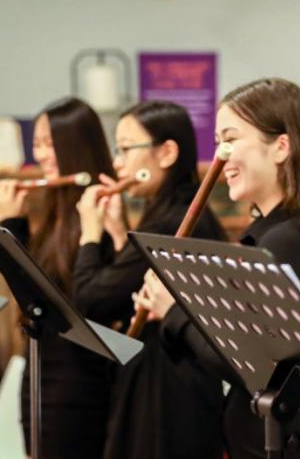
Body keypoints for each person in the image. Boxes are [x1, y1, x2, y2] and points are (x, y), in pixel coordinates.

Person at [136, 78, 300, 458]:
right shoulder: (275, 234)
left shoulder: (289, 240)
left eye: (231, 139)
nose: (221, 156)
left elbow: (248, 364)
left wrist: (173, 313)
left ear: (281, 147)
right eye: (219, 141)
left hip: (288, 445)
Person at [73, 100, 227, 459]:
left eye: (126, 149)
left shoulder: (171, 222)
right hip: (172, 385)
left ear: (167, 153)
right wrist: (117, 234)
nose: (117, 163)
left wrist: (89, 234)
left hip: (170, 395)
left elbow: (91, 299)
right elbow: (127, 285)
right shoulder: (176, 211)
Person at [0, 96, 116, 459]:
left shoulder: (97, 215)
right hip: (42, 371)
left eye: (48, 143)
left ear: (74, 147)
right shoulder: (56, 213)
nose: (40, 155)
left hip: (76, 384)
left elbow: (53, 302)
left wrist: (11, 228)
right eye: (36, 143)